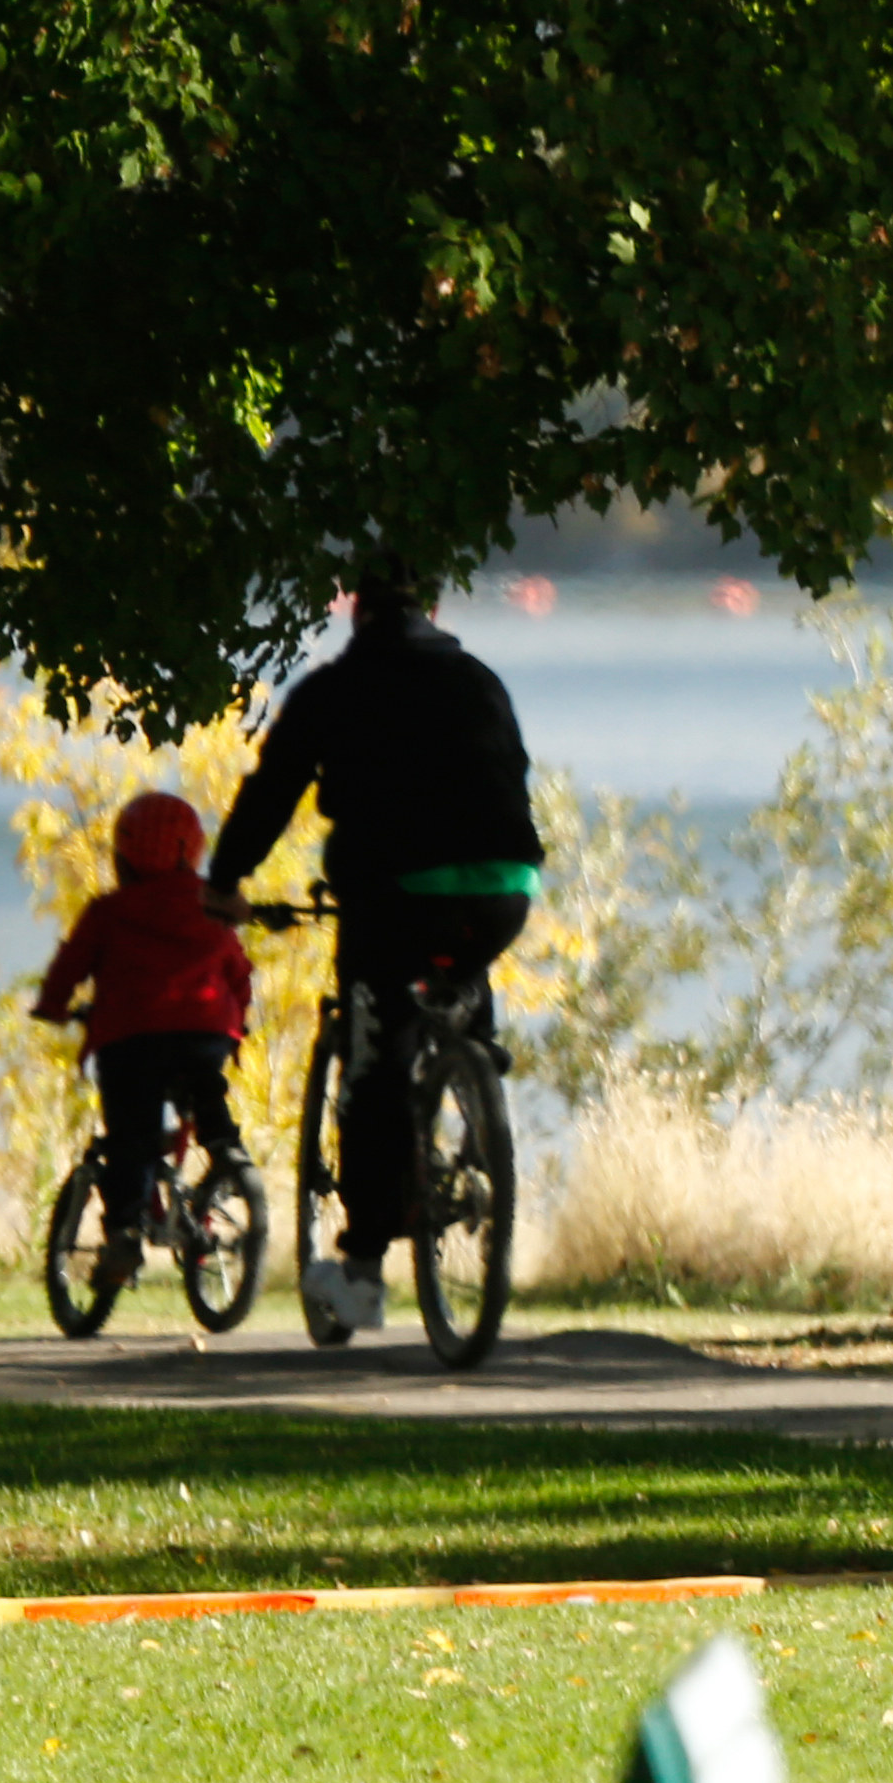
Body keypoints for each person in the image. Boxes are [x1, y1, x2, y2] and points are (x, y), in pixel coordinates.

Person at [207, 568, 538, 1338]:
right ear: (433, 606)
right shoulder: (478, 678)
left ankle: (359, 1268)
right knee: (458, 976)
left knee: (373, 1062)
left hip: (394, 896)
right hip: (504, 887)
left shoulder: (333, 688)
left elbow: (271, 791)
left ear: (356, 610)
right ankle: (474, 1071)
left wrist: (224, 880)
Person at [31, 789, 257, 1278]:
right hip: (205, 1030)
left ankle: (125, 1234)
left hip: (130, 1039)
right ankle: (223, 1144)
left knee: (131, 1135)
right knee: (203, 1082)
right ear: (193, 849)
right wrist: (241, 1015)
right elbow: (237, 970)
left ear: (123, 854)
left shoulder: (109, 911)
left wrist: (52, 1006)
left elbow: (70, 965)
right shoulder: (210, 905)